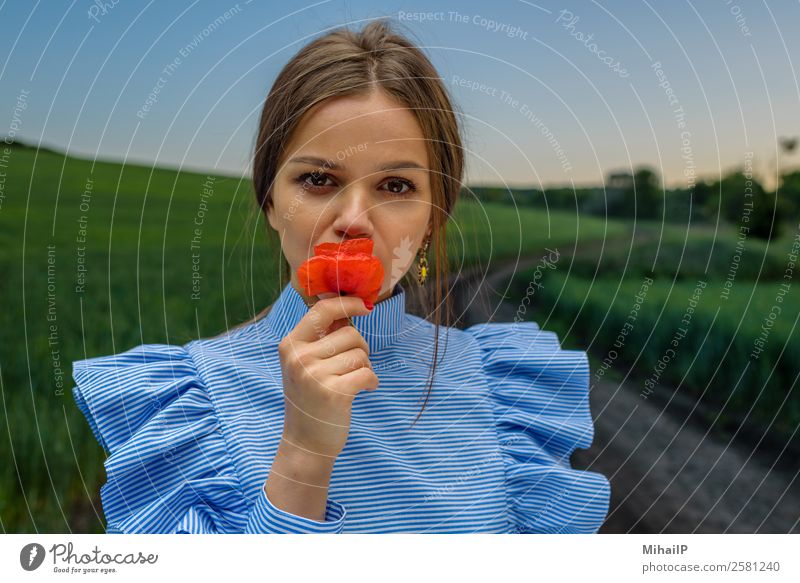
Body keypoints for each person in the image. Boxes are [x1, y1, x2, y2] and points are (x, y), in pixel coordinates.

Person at [71, 19, 611, 534]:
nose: (353, 219)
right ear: (271, 202)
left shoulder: (501, 393)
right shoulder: (188, 406)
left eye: (396, 186)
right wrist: (304, 454)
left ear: (432, 218)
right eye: (318, 179)